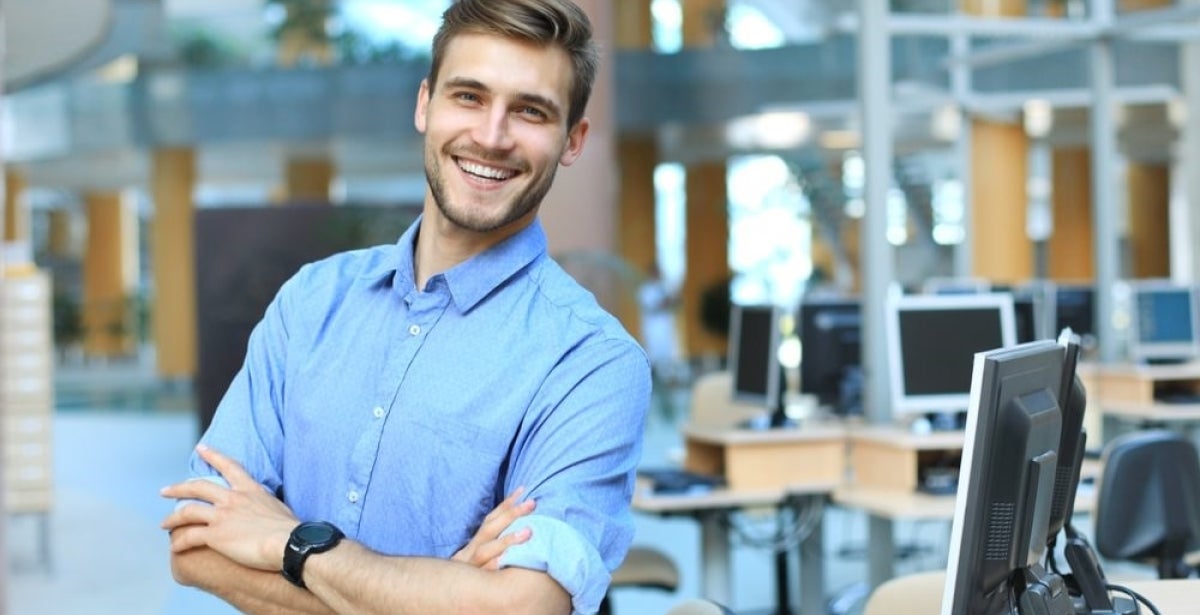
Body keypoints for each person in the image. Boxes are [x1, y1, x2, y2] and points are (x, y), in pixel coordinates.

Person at [159, 1, 652, 613]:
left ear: (572, 140)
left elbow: (521, 607)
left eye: (530, 111)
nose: (492, 136)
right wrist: (437, 589)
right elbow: (194, 542)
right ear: (426, 104)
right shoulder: (312, 302)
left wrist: (292, 543)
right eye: (468, 97)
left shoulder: (592, 363)